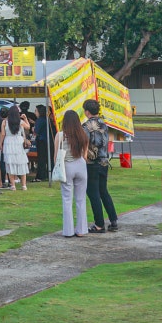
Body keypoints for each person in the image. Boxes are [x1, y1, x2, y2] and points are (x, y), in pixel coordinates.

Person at [83, 99, 119, 234]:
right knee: (103, 191)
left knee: (93, 193)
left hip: (92, 162)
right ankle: (113, 220)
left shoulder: (86, 126)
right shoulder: (104, 124)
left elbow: (84, 144)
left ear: (87, 111)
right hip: (104, 161)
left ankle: (99, 224)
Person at [56, 109, 89, 238]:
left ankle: (68, 230)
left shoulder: (60, 135)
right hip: (80, 165)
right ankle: (81, 230)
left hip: (67, 165)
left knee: (67, 199)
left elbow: (56, 157)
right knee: (81, 200)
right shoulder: (83, 135)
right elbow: (85, 155)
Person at [1, 106, 31, 191]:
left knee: (10, 163)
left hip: (8, 142)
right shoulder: (20, 122)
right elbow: (28, 127)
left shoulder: (4, 122)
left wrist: (1, 143)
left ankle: (13, 185)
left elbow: (3, 134)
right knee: (21, 162)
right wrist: (25, 118)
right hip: (18, 141)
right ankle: (24, 185)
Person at [33, 104, 56, 181]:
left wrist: (34, 130)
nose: (34, 112)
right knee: (50, 159)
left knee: (42, 159)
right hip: (50, 141)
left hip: (42, 142)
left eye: (36, 110)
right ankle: (51, 174)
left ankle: (41, 175)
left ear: (39, 112)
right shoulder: (48, 119)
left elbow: (36, 132)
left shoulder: (39, 120)